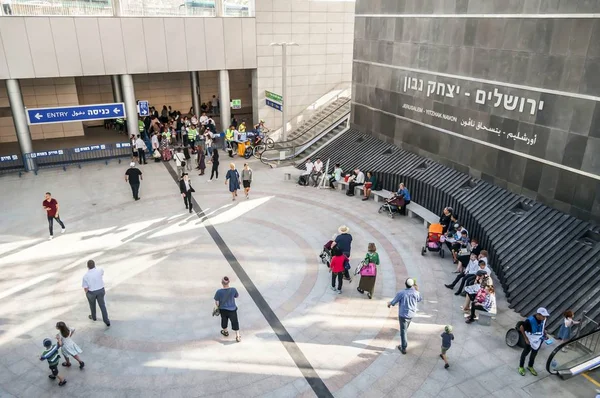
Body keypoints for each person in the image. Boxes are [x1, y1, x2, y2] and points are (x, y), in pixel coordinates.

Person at [388, 278, 422, 354]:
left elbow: (394, 302)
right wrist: (417, 290)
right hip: (411, 314)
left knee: (403, 331)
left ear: (405, 284)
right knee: (405, 327)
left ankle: (403, 347)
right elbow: (419, 299)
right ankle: (404, 334)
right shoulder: (416, 293)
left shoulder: (401, 293)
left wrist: (389, 304)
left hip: (403, 314)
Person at [518, 307, 550, 376]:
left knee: (534, 354)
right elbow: (521, 328)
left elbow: (543, 326)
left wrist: (544, 333)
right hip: (530, 340)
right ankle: (521, 367)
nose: (544, 318)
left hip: (538, 340)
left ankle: (530, 366)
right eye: (543, 316)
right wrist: (526, 339)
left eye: (545, 316)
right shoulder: (529, 321)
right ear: (538, 314)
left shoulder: (544, 320)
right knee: (525, 353)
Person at [82, 260, 110, 327]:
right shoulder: (100, 270)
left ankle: (94, 317)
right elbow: (102, 273)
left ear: (87, 267)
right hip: (101, 290)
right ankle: (106, 321)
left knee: (92, 305)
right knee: (102, 305)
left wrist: (87, 293)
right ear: (94, 265)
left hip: (92, 292)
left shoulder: (85, 276)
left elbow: (85, 288)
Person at [214, 276, 241, 342]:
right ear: (229, 282)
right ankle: (237, 335)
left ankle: (225, 332)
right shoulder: (233, 289)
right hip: (232, 309)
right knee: (234, 322)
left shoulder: (218, 292)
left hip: (223, 310)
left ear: (222, 283)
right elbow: (237, 296)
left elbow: (217, 303)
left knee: (224, 320)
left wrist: (217, 307)